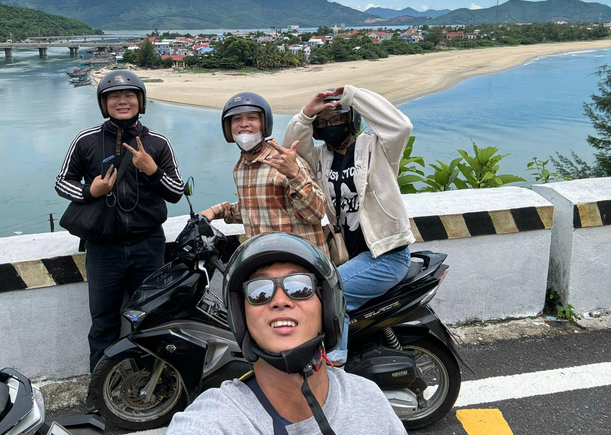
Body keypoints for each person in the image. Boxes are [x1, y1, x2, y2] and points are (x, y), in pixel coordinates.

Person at [166, 232, 407, 435]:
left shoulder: (368, 399)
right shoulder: (217, 421)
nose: (280, 301)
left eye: (300, 287)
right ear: (241, 317)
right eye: (259, 292)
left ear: (327, 306)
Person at [55, 69, 184, 379]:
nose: (122, 101)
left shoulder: (157, 142)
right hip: (103, 246)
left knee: (149, 318)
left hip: (148, 243)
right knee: (104, 322)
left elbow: (177, 191)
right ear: (104, 103)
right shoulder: (86, 140)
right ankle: (100, 389)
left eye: (129, 95)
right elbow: (62, 183)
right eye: (114, 96)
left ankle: (150, 383)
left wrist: (152, 171)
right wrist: (91, 191)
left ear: (141, 101)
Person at [283, 85, 415, 363]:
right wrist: (307, 114)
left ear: (350, 120)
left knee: (331, 290)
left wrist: (352, 95)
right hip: (352, 257)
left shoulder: (376, 147)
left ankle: (335, 365)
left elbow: (401, 125)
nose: (332, 126)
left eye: (338, 120)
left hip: (386, 255)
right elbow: (291, 149)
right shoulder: (321, 159)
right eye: (325, 123)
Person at [200, 92, 328, 253]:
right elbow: (253, 208)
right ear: (228, 127)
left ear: (264, 123)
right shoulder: (240, 168)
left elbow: (317, 213)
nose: (244, 123)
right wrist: (215, 211)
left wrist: (295, 174)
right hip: (264, 260)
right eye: (237, 119)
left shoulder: (284, 160)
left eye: (252, 118)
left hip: (301, 261)